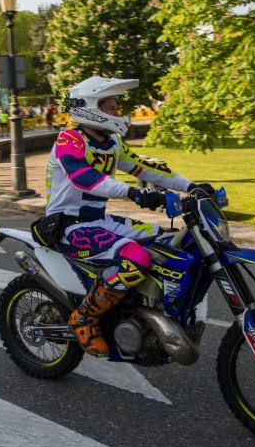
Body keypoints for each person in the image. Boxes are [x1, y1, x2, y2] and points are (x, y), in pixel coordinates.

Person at [45, 76, 214, 357]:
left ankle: (146, 310)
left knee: (169, 241)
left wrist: (191, 186)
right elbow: (85, 178)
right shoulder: (70, 139)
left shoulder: (111, 143)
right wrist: (133, 194)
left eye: (115, 106)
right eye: (110, 107)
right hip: (70, 226)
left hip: (99, 220)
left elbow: (144, 168)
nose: (117, 112)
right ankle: (85, 317)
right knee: (136, 258)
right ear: (90, 107)